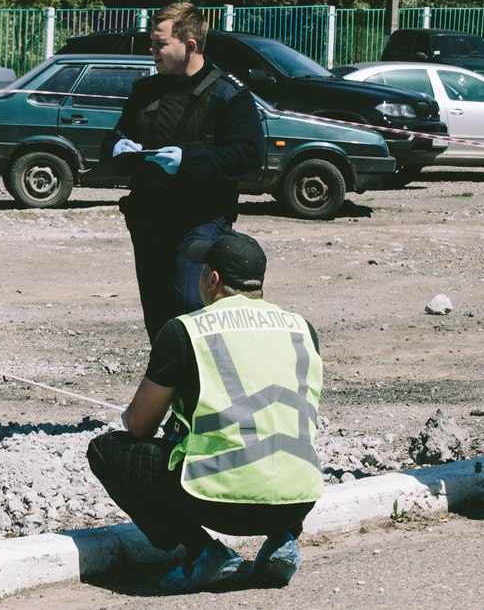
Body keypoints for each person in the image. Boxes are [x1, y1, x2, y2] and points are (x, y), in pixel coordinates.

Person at [87, 230, 323, 594]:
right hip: (299, 500)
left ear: (212, 280)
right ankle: (283, 542)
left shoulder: (186, 331)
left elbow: (138, 427)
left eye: (201, 270)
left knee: (106, 451)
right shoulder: (302, 328)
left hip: (217, 502)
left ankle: (201, 551)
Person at [106, 2, 263, 342]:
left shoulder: (227, 94)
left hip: (200, 221)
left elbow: (249, 155)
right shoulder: (146, 91)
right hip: (150, 220)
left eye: (160, 43)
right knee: (159, 318)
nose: (152, 51)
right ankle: (168, 390)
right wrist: (117, 146)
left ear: (189, 45)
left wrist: (188, 162)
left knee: (192, 309)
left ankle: (201, 388)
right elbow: (115, 136)